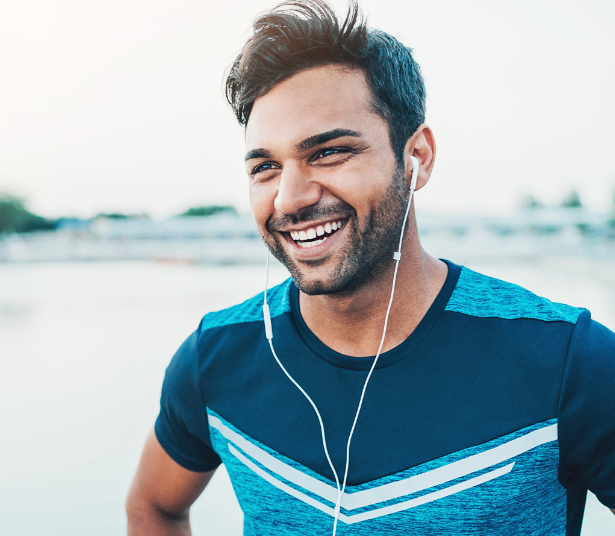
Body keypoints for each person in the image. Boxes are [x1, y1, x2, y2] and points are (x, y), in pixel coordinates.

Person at [125, 1, 615, 534]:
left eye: (329, 152)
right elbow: (155, 506)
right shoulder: (215, 358)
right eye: (266, 166)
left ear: (418, 158)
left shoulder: (569, 360)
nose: (289, 198)